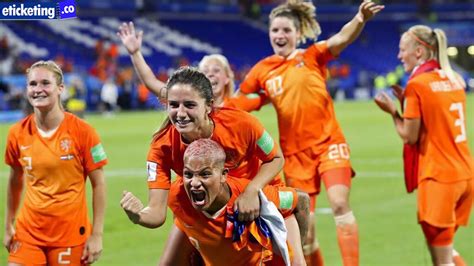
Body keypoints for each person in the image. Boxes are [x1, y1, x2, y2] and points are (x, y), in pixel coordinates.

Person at [237, 1, 384, 265]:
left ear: (297, 33)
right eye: (275, 31)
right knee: (307, 229)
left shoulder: (311, 56)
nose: (280, 36)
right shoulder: (262, 70)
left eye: (286, 30)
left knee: (340, 204)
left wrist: (360, 19)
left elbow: (341, 38)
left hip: (329, 143)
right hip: (295, 156)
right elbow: (238, 101)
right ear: (269, 33)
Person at [119, 66, 305, 265]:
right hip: (204, 208)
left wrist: (252, 191)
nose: (180, 114)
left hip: (258, 199)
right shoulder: (161, 148)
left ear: (208, 106)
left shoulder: (241, 124)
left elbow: (276, 158)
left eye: (189, 105)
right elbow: (156, 213)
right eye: (173, 105)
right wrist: (138, 215)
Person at [374, 25, 472, 266]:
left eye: (402, 50)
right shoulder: (453, 79)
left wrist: (394, 113)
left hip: (439, 178)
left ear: (418, 52)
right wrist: (407, 104)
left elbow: (410, 136)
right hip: (465, 175)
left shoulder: (418, 85)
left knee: (442, 260)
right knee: (446, 249)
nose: (399, 56)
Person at [3, 60, 107, 265]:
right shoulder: (16, 133)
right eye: (33, 84)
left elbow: (99, 184)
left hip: (70, 234)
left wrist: (97, 234)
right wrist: (8, 225)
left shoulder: (84, 132)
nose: (38, 89)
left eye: (45, 83)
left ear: (60, 88)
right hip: (28, 232)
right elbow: (15, 180)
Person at [169, 138, 310, 265]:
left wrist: (299, 256)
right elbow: (179, 214)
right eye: (188, 174)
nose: (194, 183)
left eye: (205, 174)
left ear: (223, 175)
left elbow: (301, 200)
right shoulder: (178, 194)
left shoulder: (254, 197)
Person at [117, 21, 267, 112]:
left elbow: (271, 95)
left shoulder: (239, 104)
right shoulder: (187, 100)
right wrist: (135, 53)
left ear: (227, 78)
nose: (211, 74)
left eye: (216, 70)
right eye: (206, 71)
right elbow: (151, 82)